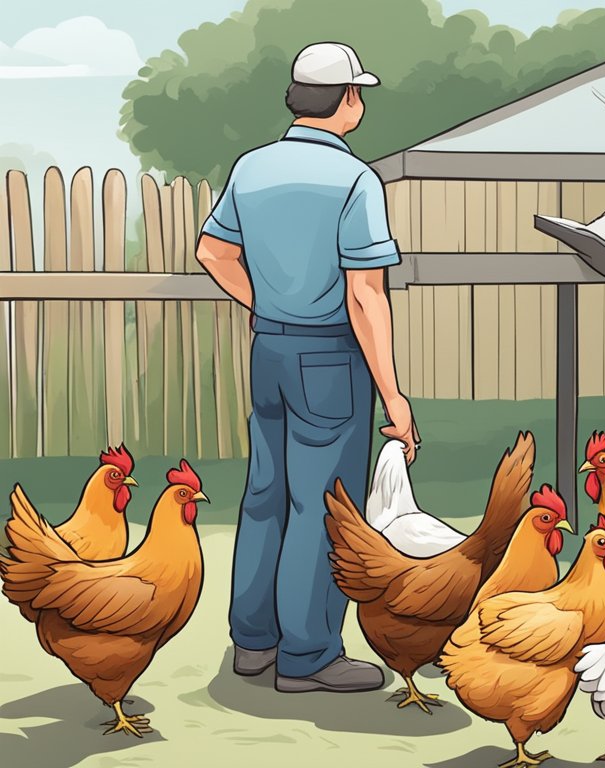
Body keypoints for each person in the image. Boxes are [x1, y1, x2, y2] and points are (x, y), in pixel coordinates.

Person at [196, 42, 419, 692]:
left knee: (266, 494)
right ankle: (309, 654)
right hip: (330, 356)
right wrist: (394, 395)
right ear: (348, 100)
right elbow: (365, 293)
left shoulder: (252, 167)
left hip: (270, 347)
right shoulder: (356, 181)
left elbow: (213, 253)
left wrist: (266, 301)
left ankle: (253, 642)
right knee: (325, 502)